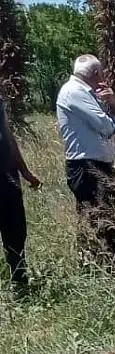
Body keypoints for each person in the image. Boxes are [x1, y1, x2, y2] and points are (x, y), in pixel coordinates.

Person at [56, 54, 115, 271]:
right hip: (86, 168)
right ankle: (94, 269)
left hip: (99, 166)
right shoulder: (74, 92)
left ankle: (111, 269)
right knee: (95, 220)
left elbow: (112, 122)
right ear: (97, 74)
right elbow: (105, 126)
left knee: (111, 220)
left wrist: (111, 104)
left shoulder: (89, 94)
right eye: (102, 72)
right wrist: (114, 123)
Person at [0, 99, 42, 297]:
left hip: (7, 178)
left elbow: (8, 136)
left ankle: (20, 285)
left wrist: (24, 171)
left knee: (16, 235)